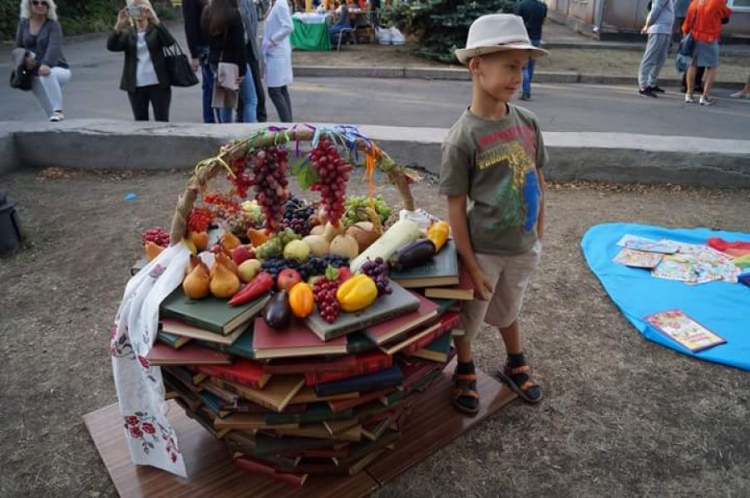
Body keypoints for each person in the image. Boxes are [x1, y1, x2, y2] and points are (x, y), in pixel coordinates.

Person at [442, 14, 548, 415]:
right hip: (482, 250)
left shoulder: (528, 122)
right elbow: (455, 205)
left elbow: (538, 177)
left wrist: (538, 232)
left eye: (521, 67)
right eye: (509, 65)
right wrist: (470, 262)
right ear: (477, 65)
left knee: (510, 306)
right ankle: (465, 368)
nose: (517, 76)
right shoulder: (462, 137)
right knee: (469, 317)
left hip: (522, 245)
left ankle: (513, 359)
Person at [108, 0, 177, 122]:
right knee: (140, 122)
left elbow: (169, 42)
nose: (139, 11)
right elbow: (112, 46)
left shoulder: (156, 30)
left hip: (159, 83)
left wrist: (155, 19)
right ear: (130, 12)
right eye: (135, 8)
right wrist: (118, 25)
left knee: (162, 121)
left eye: (142, 8)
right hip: (136, 84)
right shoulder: (128, 33)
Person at [14, 0, 71, 122]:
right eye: (35, 2)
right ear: (29, 5)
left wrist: (46, 64)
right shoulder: (23, 24)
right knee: (49, 112)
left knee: (45, 73)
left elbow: (53, 48)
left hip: (58, 68)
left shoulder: (53, 25)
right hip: (34, 72)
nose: (40, 6)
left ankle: (58, 110)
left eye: (44, 3)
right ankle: (54, 120)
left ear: (49, 6)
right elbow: (17, 48)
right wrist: (24, 59)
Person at [202, 0, 257, 123]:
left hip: (216, 63)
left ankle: (225, 132)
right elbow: (239, 45)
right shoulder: (233, 15)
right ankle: (250, 133)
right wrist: (242, 71)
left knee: (225, 102)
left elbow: (205, 38)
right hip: (234, 63)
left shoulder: (207, 13)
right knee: (250, 100)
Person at [682, 0, 731, 105]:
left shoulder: (695, 2)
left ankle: (689, 94)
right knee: (712, 66)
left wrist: (686, 33)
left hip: (694, 36)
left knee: (692, 65)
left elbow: (688, 21)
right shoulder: (718, 2)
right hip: (709, 37)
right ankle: (704, 96)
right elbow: (726, 15)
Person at [183, 0, 215, 123]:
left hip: (211, 44)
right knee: (213, 86)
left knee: (208, 87)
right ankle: (212, 120)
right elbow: (189, 24)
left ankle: (209, 119)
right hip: (203, 46)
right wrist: (194, 54)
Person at [263, 0, 294, 122]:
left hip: (277, 52)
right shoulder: (275, 4)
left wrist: (273, 40)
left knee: (275, 91)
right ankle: (289, 124)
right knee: (281, 89)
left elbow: (289, 26)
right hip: (276, 51)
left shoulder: (280, 3)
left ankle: (287, 124)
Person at [637, 0, 674, 98]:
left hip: (666, 29)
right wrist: (647, 25)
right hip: (658, 29)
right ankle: (643, 86)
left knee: (661, 58)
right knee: (650, 57)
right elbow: (655, 9)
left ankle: (651, 83)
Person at [238, 0, 268, 122]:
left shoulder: (249, 4)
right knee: (246, 93)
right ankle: (243, 118)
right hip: (241, 50)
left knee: (255, 90)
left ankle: (259, 117)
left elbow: (263, 8)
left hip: (249, 49)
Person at [514, 0, 547, 101]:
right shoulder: (542, 6)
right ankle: (527, 87)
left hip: (524, 37)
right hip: (536, 37)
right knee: (531, 64)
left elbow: (517, 21)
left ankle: (525, 90)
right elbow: (543, 21)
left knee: (524, 65)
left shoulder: (522, 5)